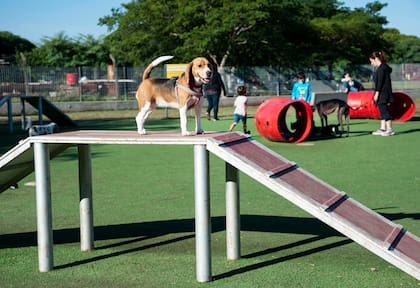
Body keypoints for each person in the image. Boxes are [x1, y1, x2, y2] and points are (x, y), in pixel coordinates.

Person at [369, 50, 394, 136]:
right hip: (385, 92)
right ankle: (383, 129)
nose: (371, 64)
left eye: (371, 61)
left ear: (376, 59)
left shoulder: (381, 69)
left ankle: (390, 129)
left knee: (384, 111)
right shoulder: (384, 67)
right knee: (382, 110)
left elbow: (379, 83)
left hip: (383, 93)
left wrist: (376, 93)